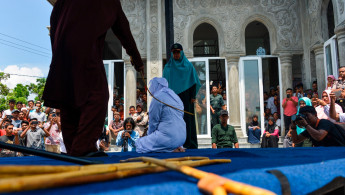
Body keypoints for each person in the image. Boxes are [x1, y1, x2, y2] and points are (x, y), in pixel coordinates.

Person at [42, 0, 144, 156]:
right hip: (86, 56)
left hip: (62, 58)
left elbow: (53, 24)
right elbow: (124, 32)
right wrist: (137, 61)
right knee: (98, 97)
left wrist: (57, 56)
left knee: (70, 103)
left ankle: (73, 151)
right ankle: (82, 149)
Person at [163, 43, 201, 149]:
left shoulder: (188, 66)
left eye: (178, 52)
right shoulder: (168, 67)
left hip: (187, 99)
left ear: (181, 52)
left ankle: (190, 144)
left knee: (187, 120)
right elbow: (164, 84)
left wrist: (193, 96)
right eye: (174, 52)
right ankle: (176, 144)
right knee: (174, 120)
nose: (176, 54)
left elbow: (193, 82)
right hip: (173, 99)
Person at [135, 77, 186, 153]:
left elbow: (153, 121)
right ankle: (175, 147)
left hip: (167, 137)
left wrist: (150, 136)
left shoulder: (158, 97)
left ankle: (170, 149)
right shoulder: (175, 96)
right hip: (182, 138)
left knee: (139, 143)